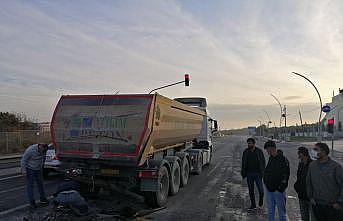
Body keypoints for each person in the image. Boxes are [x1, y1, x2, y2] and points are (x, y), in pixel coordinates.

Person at [306, 142, 343, 221]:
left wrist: (340, 202)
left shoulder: (335, 167)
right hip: (317, 205)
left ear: (324, 152)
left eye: (316, 149)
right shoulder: (312, 165)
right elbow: (309, 182)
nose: (313, 151)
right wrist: (311, 197)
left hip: (332, 207)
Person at [263, 140, 290, 221]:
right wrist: (266, 183)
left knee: (281, 213)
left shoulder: (283, 160)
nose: (267, 151)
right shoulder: (271, 158)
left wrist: (280, 189)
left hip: (278, 192)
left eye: (267, 149)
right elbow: (267, 172)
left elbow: (285, 175)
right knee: (270, 211)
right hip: (269, 191)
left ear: (271, 148)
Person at [21, 143, 49, 208]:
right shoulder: (30, 150)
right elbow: (23, 160)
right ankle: (32, 202)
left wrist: (42, 167)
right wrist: (24, 170)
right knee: (30, 185)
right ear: (40, 147)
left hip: (38, 169)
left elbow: (43, 159)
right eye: (43, 151)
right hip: (30, 169)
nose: (43, 153)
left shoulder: (44, 150)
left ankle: (43, 198)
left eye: (45, 152)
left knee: (40, 184)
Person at [241, 137, 266, 210]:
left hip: (258, 174)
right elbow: (243, 163)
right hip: (249, 174)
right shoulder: (246, 152)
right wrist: (243, 172)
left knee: (261, 190)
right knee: (251, 191)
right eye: (248, 143)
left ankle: (261, 199)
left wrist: (263, 172)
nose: (249, 144)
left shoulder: (259, 151)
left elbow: (263, 162)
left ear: (254, 144)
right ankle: (253, 205)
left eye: (250, 143)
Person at [294, 147, 315, 221]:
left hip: (311, 198)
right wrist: (297, 187)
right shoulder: (301, 164)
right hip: (302, 196)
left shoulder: (313, 165)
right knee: (304, 217)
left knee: (314, 218)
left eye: (299, 154)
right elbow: (299, 178)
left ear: (303, 154)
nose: (298, 156)